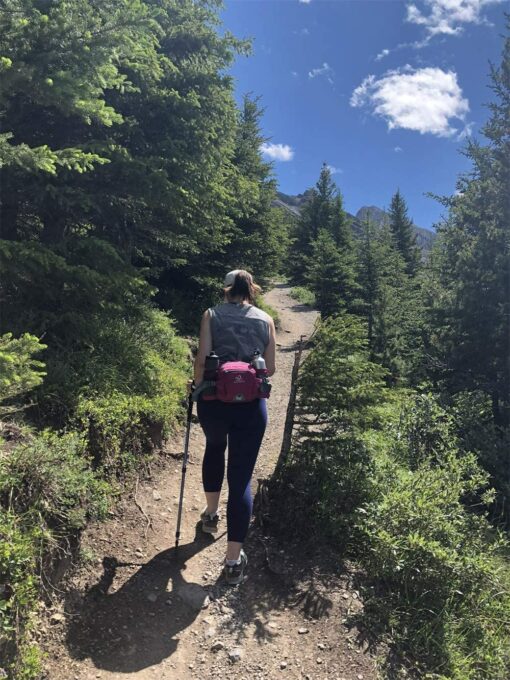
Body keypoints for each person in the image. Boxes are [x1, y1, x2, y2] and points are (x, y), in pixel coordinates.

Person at [192, 269, 276, 585]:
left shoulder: (211, 315)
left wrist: (196, 387)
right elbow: (270, 368)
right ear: (251, 289)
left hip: (214, 402)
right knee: (240, 480)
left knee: (214, 448)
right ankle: (232, 563)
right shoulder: (266, 320)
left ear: (226, 289)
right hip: (251, 408)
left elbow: (202, 362)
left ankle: (211, 516)